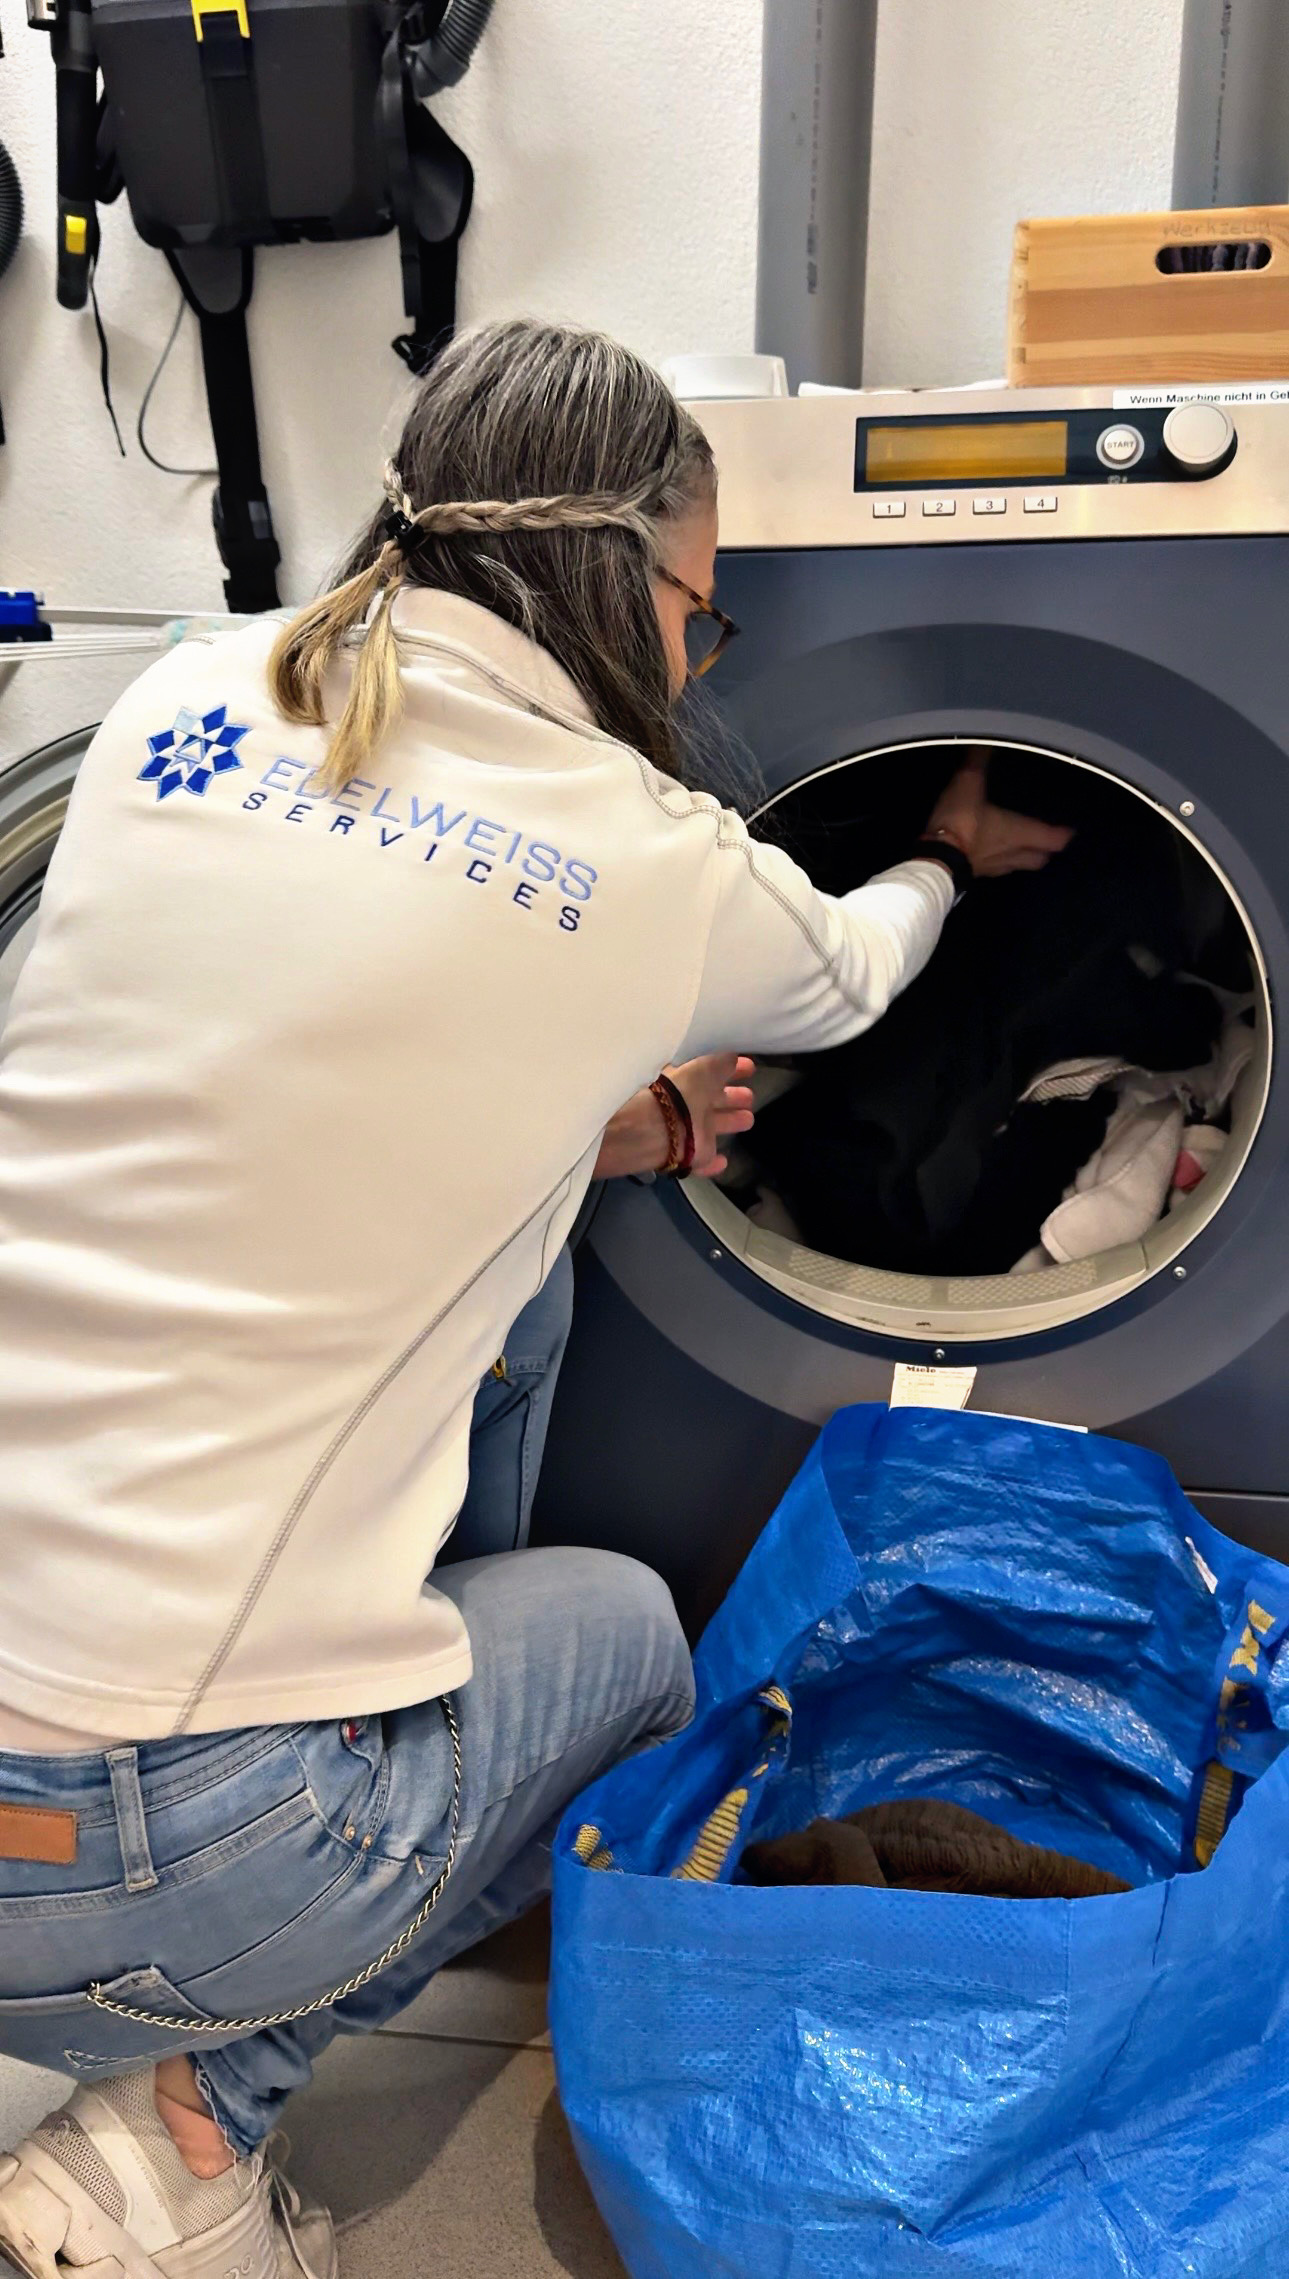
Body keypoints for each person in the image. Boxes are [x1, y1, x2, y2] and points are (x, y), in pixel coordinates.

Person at [0, 319, 1070, 2279]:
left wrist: (597, 1127)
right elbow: (848, 976)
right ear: (622, 578)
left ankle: (313, 1767)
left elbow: (284, 1079)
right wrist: (945, 847)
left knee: (519, 1304)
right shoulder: (633, 846)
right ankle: (185, 2131)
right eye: (699, 618)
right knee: (633, 1644)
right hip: (146, 1847)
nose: (693, 662)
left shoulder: (182, 695)